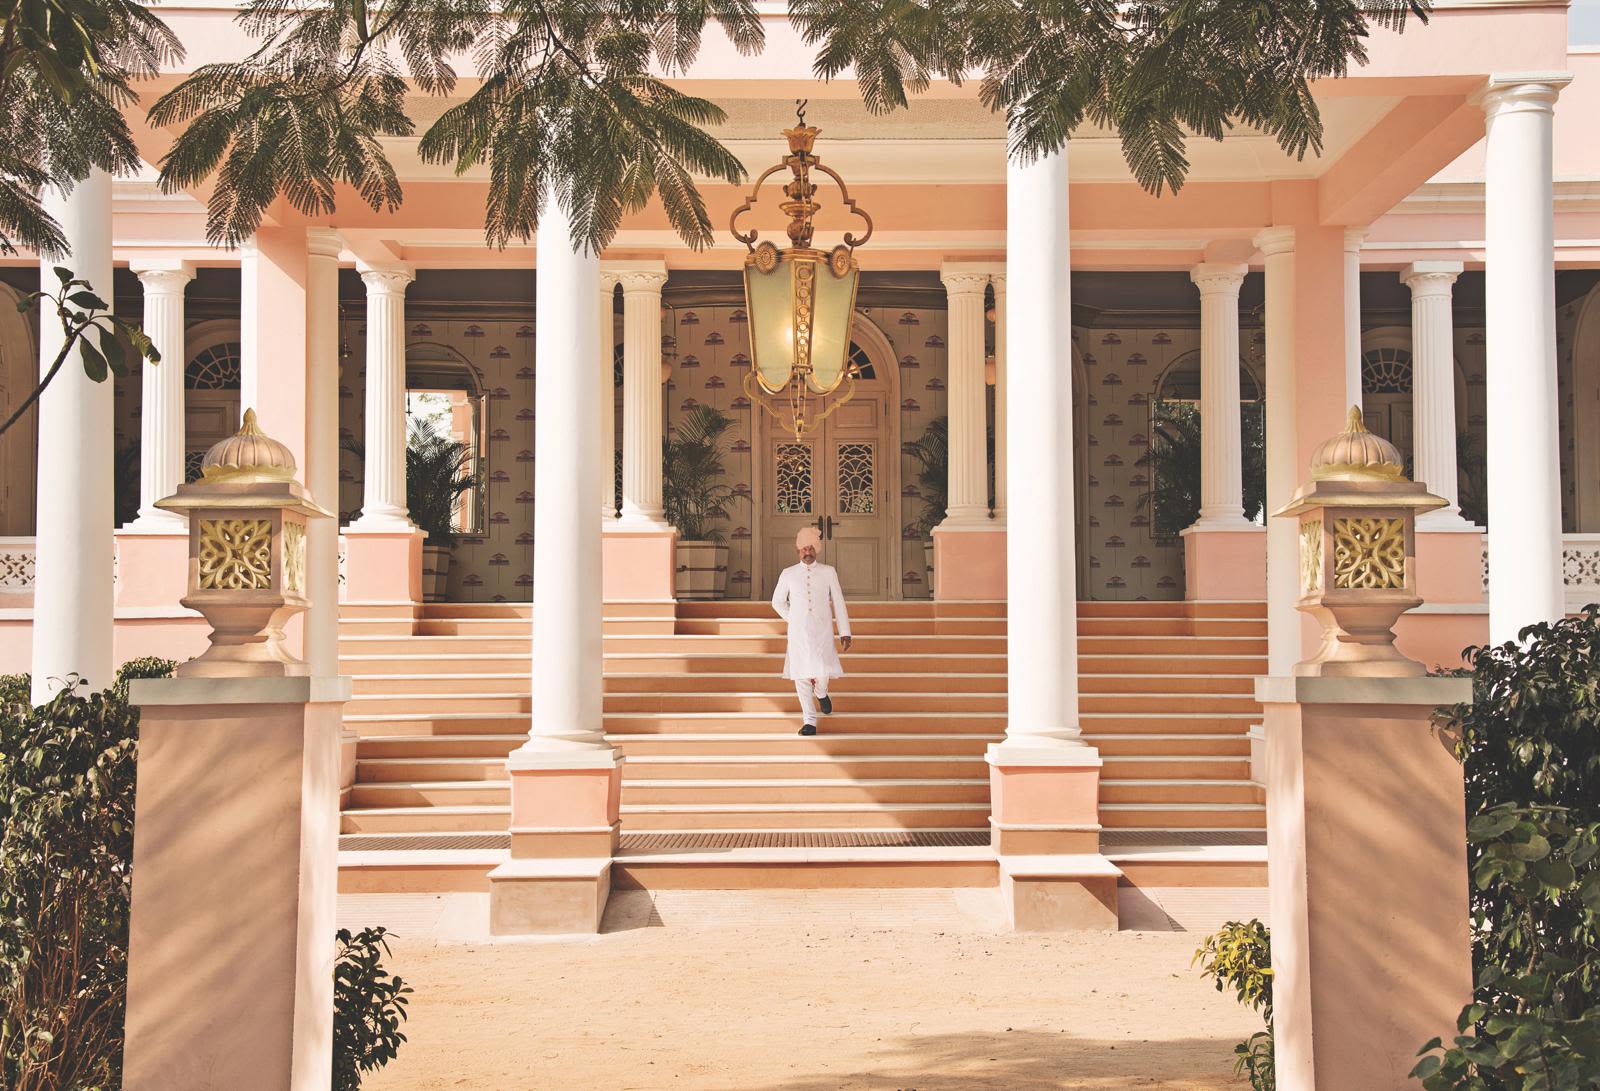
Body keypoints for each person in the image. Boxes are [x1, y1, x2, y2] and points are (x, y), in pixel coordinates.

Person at [770, 526, 852, 736]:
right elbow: (777, 602)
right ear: (798, 551)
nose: (808, 552)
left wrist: (845, 631)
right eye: (804, 549)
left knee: (823, 671)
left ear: (817, 549)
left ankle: (822, 692)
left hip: (822, 631)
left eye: (811, 548)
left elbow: (839, 602)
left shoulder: (828, 572)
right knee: (801, 675)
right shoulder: (788, 574)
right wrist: (793, 619)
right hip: (798, 634)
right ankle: (809, 721)